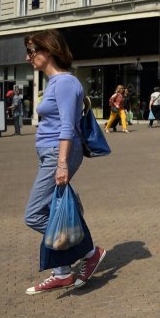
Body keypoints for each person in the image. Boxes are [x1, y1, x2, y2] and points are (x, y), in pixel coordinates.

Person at [23, 29, 106, 294]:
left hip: (60, 153)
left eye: (32, 51)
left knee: (34, 213)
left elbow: (67, 127)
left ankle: (90, 252)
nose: (28, 57)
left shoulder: (66, 84)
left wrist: (61, 164)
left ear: (49, 50)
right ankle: (61, 272)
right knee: (61, 208)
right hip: (49, 153)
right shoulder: (53, 84)